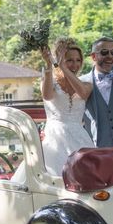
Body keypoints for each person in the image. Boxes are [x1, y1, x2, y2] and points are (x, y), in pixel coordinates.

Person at [40, 38, 94, 176]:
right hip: (55, 137)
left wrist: (63, 67)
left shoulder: (86, 83)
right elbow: (47, 96)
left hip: (79, 137)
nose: (75, 64)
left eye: (78, 60)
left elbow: (82, 93)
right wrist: (49, 64)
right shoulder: (49, 80)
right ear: (59, 59)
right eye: (69, 60)